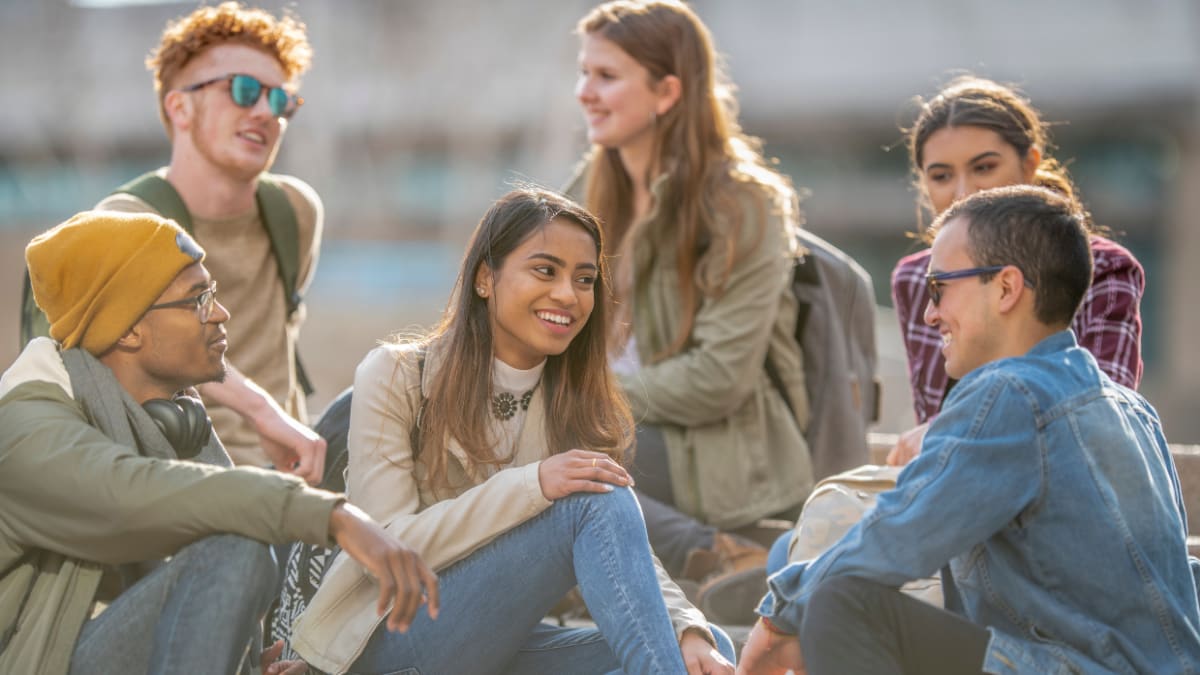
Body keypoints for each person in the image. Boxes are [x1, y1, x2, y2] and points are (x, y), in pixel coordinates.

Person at [739, 185, 1200, 675]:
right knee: (813, 575)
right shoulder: (1131, 409)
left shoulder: (1011, 394)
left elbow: (897, 537)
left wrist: (778, 618)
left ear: (1006, 288)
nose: (929, 313)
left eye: (939, 288)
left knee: (840, 602)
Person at [291, 188, 736, 674]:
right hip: (392, 637)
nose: (567, 294)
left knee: (705, 653)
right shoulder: (397, 375)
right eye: (545, 271)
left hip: (495, 644)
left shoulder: (571, 403)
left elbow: (622, 550)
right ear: (486, 278)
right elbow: (389, 544)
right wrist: (533, 485)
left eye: (583, 279)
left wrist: (687, 627)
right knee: (594, 502)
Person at [0, 211, 437, 675]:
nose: (221, 313)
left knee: (341, 422)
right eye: (198, 300)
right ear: (128, 329)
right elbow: (125, 494)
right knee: (236, 547)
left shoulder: (174, 418)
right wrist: (333, 516)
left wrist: (240, 657)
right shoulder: (25, 427)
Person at [569, 0, 813, 584]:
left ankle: (721, 553)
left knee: (540, 452)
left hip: (715, 453)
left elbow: (716, 379)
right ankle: (709, 553)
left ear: (667, 92)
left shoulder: (743, 204)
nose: (584, 92)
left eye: (606, 76)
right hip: (617, 425)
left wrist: (585, 392)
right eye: (583, 73)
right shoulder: (589, 187)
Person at [95, 2, 327, 480]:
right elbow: (153, 349)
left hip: (295, 478)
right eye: (243, 91)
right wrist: (259, 409)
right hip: (179, 487)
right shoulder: (127, 220)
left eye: (281, 101)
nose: (267, 113)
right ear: (180, 106)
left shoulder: (295, 211)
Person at [888, 75, 1144, 466]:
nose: (963, 193)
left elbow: (1101, 418)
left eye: (984, 168)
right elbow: (931, 415)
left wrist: (949, 430)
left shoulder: (1104, 269)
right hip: (963, 494)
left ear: (1030, 165)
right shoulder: (914, 279)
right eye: (941, 176)